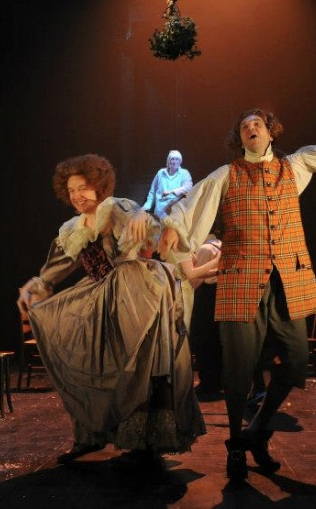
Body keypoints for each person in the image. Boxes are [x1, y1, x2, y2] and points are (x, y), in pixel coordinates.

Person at [158, 108, 316, 480]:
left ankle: (257, 429)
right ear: (239, 138)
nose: (251, 128)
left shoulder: (296, 165)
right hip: (240, 279)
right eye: (244, 127)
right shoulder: (226, 174)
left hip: (289, 279)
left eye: (257, 124)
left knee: (297, 361)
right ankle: (236, 444)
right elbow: (193, 203)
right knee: (238, 370)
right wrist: (173, 226)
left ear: (271, 132)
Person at [16, 154, 204, 465]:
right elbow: (59, 266)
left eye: (83, 188)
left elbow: (151, 231)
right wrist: (36, 285)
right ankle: (89, 435)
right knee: (92, 362)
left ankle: (144, 442)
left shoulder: (116, 208)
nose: (77, 196)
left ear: (99, 187)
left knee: (137, 367)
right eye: (72, 190)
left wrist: (145, 218)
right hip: (100, 296)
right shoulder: (73, 228)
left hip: (135, 292)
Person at [186, 235, 223, 398]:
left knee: (204, 340)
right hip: (217, 296)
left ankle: (208, 384)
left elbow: (195, 279)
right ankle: (215, 382)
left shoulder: (205, 248)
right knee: (214, 341)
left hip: (206, 297)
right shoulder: (219, 245)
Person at [142, 150, 193, 219]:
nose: (175, 162)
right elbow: (153, 191)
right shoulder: (160, 173)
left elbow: (188, 187)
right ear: (168, 161)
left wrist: (171, 192)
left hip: (173, 212)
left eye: (177, 159)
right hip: (159, 211)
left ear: (180, 161)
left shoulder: (184, 173)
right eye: (172, 159)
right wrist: (146, 207)